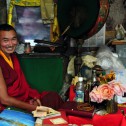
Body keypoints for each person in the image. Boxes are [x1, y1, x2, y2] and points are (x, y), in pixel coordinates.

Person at [0, 24, 64, 112]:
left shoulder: (13, 57)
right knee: (46, 112)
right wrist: (35, 108)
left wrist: (34, 98)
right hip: (7, 107)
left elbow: (22, 87)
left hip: (21, 100)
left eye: (13, 39)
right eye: (5, 40)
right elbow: (4, 99)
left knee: (53, 97)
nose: (10, 44)